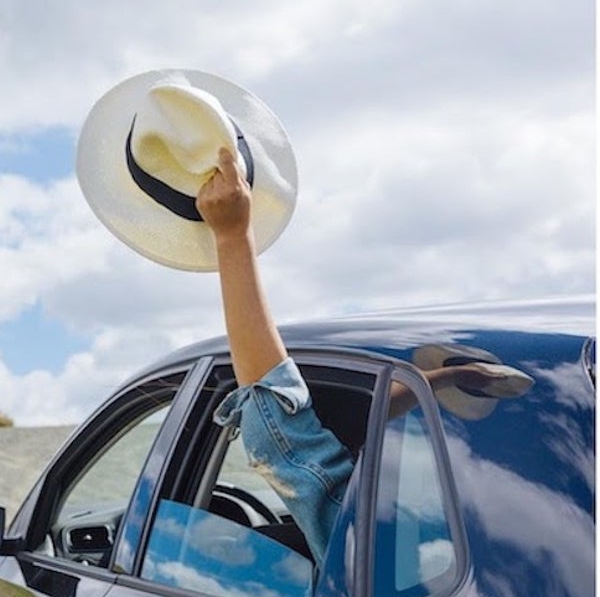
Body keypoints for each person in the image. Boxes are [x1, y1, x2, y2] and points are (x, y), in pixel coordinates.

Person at [194, 147, 515, 564]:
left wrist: (232, 238)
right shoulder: (516, 537)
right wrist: (440, 380)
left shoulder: (376, 552)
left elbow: (278, 438)